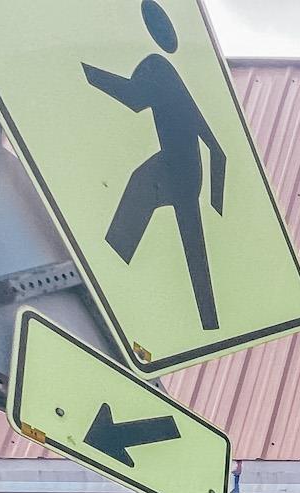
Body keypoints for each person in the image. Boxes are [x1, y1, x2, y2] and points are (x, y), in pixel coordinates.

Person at [84, 0, 228, 331]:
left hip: (176, 171)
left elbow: (133, 98)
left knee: (148, 196)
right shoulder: (172, 76)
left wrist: (89, 74)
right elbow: (217, 152)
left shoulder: (158, 69)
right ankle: (209, 320)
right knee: (193, 247)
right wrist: (213, 197)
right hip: (188, 173)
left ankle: (108, 279)